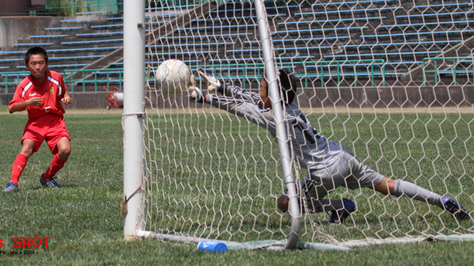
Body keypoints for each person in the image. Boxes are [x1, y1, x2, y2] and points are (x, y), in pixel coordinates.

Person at [188, 68, 470, 223]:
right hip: (343, 156)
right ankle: (441, 200)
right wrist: (223, 86)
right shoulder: (290, 105)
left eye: (262, 87)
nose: (258, 90)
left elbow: (240, 107)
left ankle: (340, 204)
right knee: (388, 184)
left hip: (323, 172)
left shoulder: (272, 117)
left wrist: (204, 96)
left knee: (286, 202)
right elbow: (250, 97)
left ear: (271, 94)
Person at [3, 46, 72, 192]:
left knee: (65, 150)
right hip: (36, 123)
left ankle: (47, 177)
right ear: (27, 66)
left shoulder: (56, 77)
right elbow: (12, 107)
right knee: (26, 148)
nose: (37, 67)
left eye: (40, 63)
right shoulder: (24, 85)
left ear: (46, 63)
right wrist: (27, 103)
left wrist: (65, 96)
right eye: (33, 63)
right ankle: (13, 183)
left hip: (55, 121)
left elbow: (62, 90)